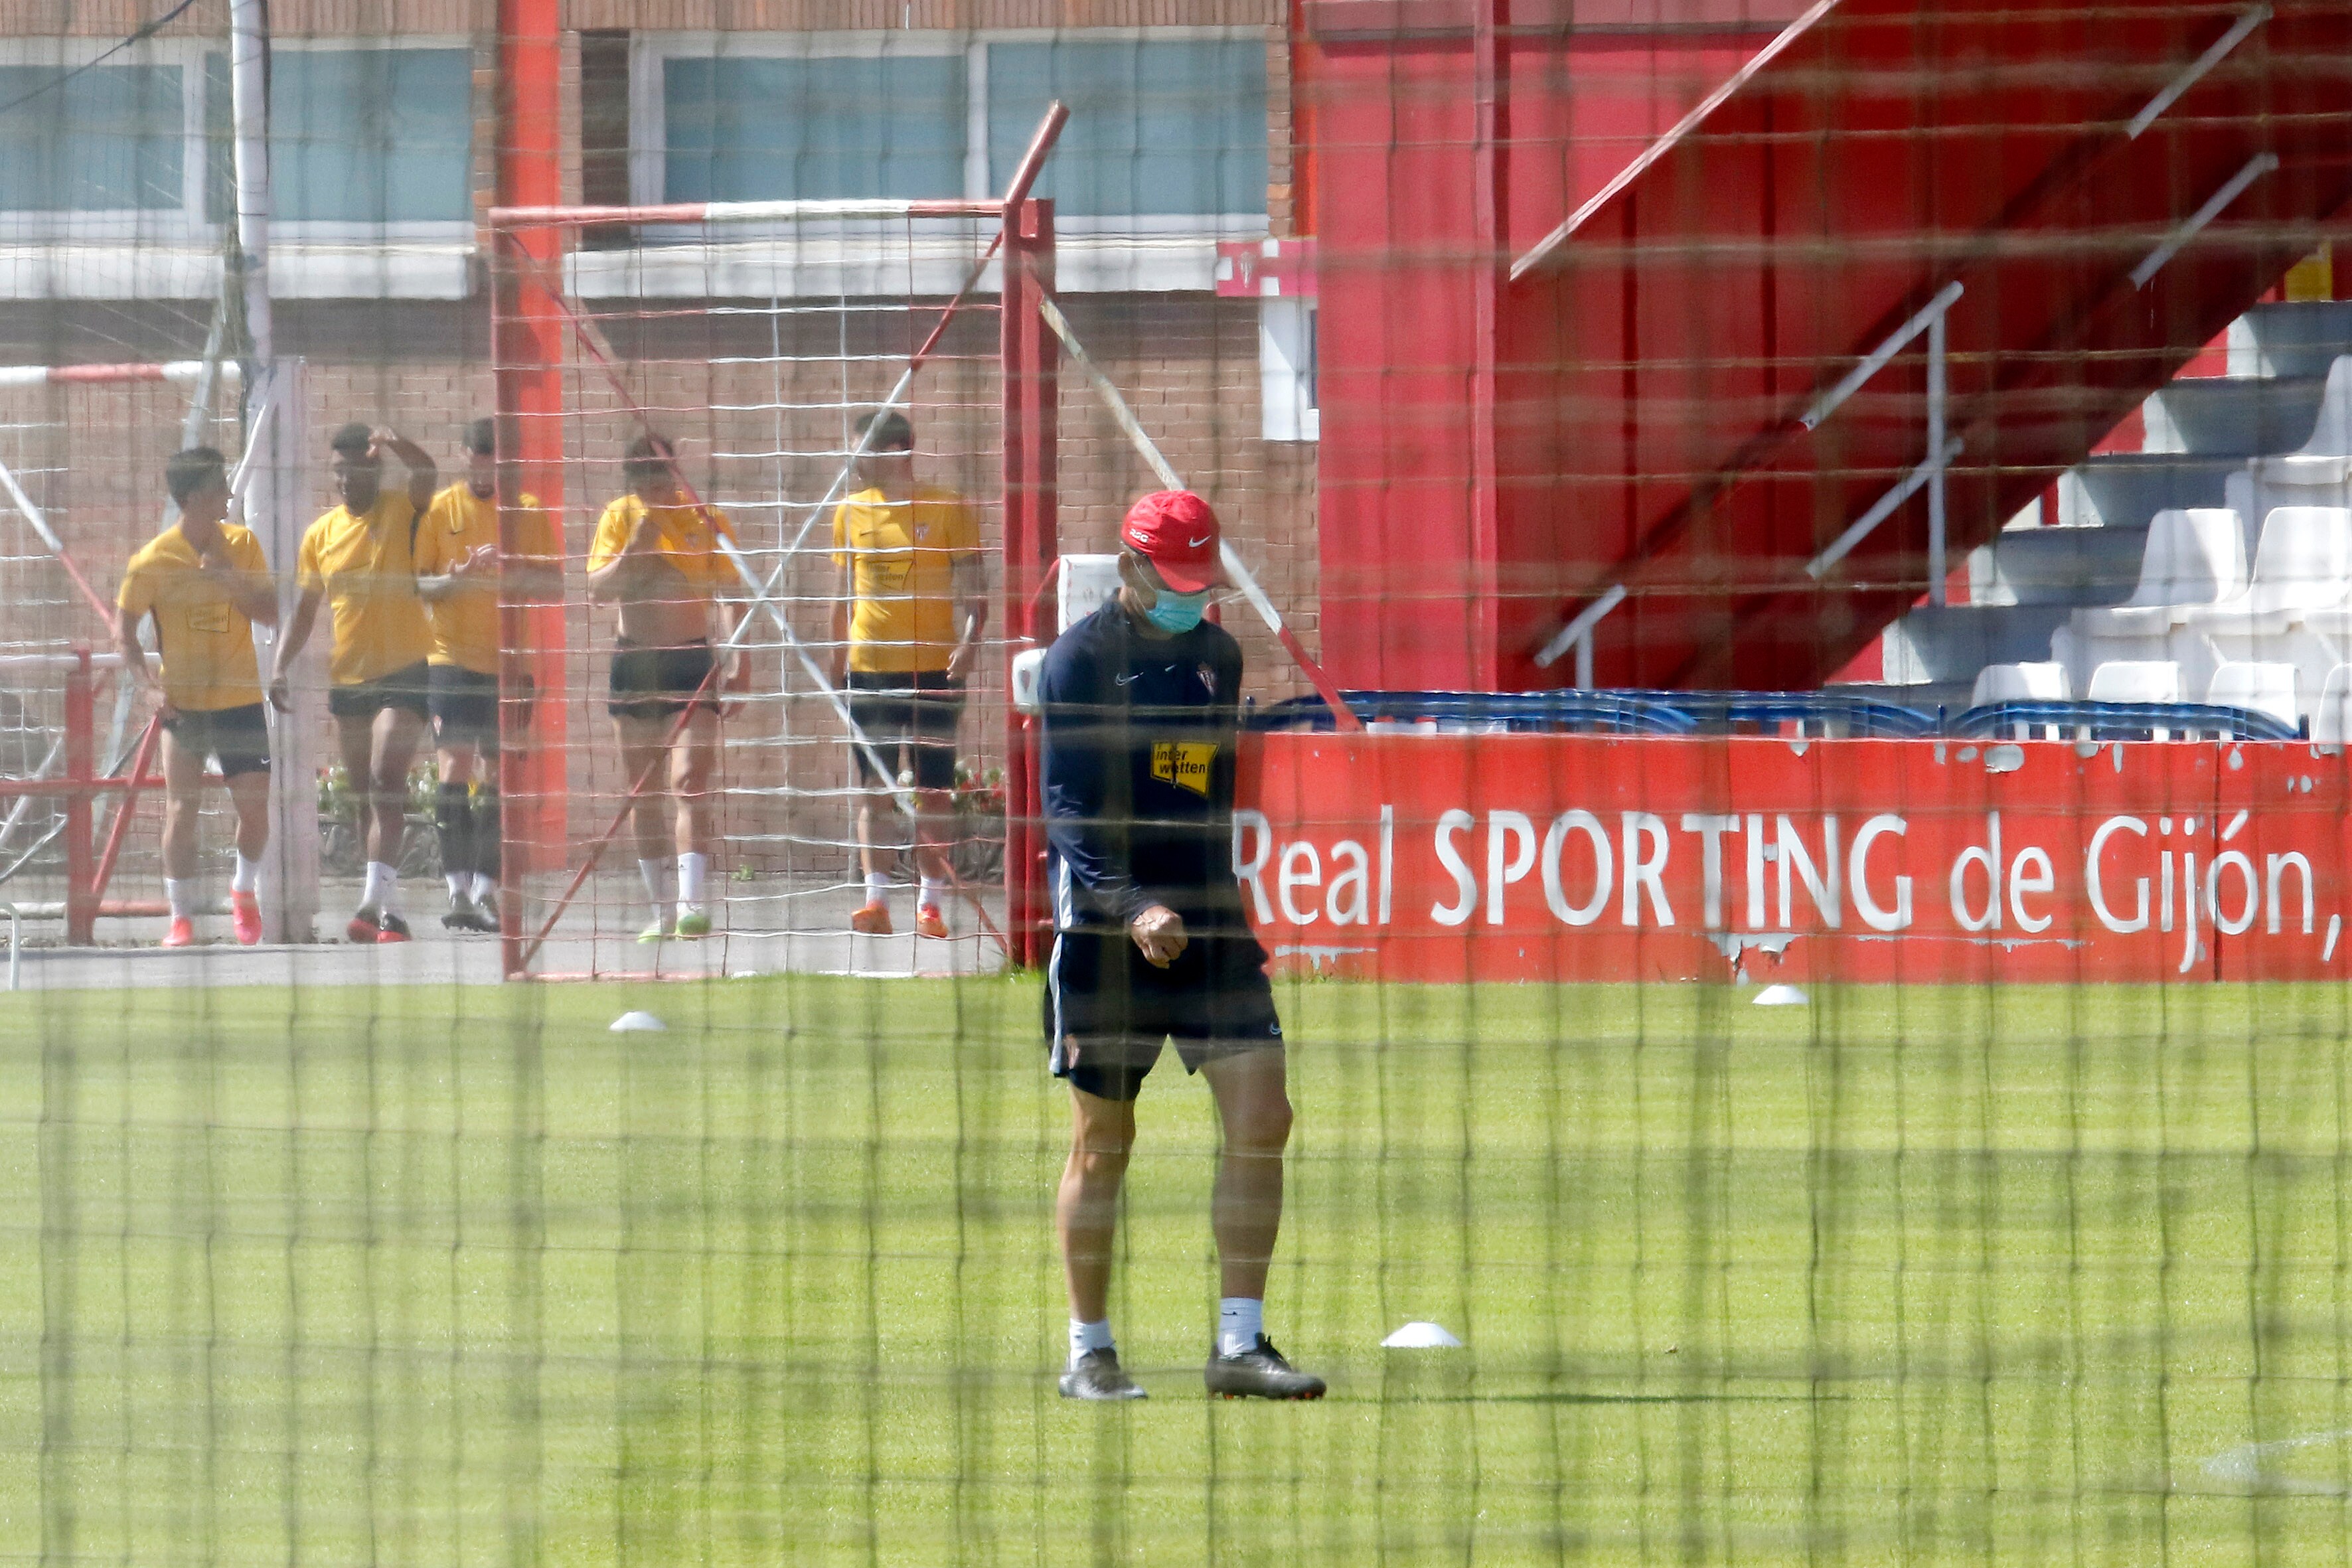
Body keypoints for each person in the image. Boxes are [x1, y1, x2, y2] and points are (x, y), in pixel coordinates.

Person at [1038, 489, 1322, 1402]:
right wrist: (1132, 908)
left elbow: (1207, 799)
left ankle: (1237, 1345)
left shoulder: (1217, 652)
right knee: (1104, 1141)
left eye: (1202, 582)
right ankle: (1089, 1350)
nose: (1191, 598)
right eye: (1174, 582)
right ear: (1126, 568)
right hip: (1103, 935)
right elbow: (1069, 809)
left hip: (1210, 927)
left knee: (1263, 1118)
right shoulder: (1077, 659)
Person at [270, 422, 438, 943]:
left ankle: (369, 903)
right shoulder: (321, 534)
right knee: (363, 794)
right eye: (337, 470)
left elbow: (427, 470)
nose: (344, 479)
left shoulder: (401, 509)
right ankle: (389, 911)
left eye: (353, 469)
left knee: (389, 782)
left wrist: (395, 441)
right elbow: (304, 612)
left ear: (373, 469)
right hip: (350, 680)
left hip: (405, 671)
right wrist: (279, 666)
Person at [828, 409, 985, 940]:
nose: (851, 463)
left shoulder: (947, 508)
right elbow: (839, 594)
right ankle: (874, 901)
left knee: (933, 791)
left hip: (932, 671)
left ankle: (930, 905)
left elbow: (976, 589)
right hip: (869, 670)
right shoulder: (849, 511)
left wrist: (969, 643)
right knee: (872, 786)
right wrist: (835, 661)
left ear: (894, 452)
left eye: (859, 453)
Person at [114, 446, 279, 949]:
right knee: (180, 812)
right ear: (193, 498)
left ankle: (243, 891)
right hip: (183, 706)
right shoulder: (152, 561)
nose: (229, 494)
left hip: (240, 700)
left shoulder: (243, 543)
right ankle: (180, 918)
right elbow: (122, 633)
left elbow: (271, 612)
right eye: (218, 487)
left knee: (255, 813)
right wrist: (147, 687)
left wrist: (228, 578)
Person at [586, 433, 746, 942]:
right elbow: (597, 590)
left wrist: (739, 656)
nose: (652, 482)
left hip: (690, 661)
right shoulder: (618, 516)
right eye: (640, 474)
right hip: (634, 664)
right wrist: (635, 549)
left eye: (660, 471)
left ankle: (692, 902)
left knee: (690, 782)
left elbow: (732, 593)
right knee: (644, 793)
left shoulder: (704, 517)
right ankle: (661, 909)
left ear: (675, 471)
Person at [414, 417, 562, 933]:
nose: (486, 468)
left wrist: (513, 566)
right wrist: (455, 576)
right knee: (455, 769)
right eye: (478, 458)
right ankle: (456, 890)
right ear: (463, 455)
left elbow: (555, 583)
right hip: (450, 660)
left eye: (495, 460)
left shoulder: (525, 512)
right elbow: (420, 586)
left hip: (509, 664)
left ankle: (486, 888)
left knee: (503, 778)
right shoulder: (440, 509)